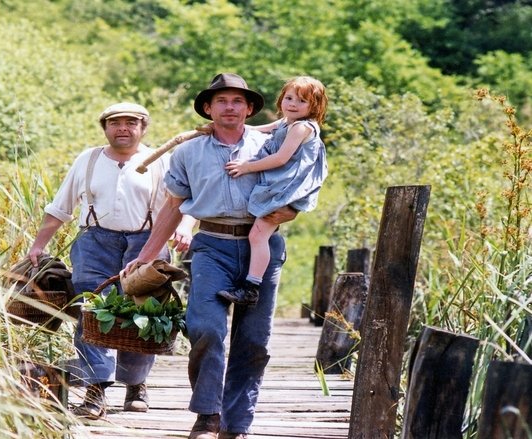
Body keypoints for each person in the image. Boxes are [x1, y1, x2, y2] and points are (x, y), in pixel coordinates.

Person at [126, 73, 298, 439]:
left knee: (254, 340)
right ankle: (208, 414)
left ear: (250, 108)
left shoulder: (271, 147)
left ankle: (237, 424)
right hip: (212, 245)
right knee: (205, 327)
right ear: (208, 108)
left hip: (261, 247)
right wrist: (146, 256)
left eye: (238, 101)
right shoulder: (188, 151)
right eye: (221, 101)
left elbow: (300, 184)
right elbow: (172, 207)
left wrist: (293, 211)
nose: (230, 107)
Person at [27, 102, 195, 420]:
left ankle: (135, 384)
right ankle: (96, 389)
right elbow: (60, 206)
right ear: (104, 127)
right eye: (115, 122)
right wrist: (38, 245)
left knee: (144, 311)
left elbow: (183, 204)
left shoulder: (162, 161)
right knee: (91, 311)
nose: (122, 128)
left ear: (143, 128)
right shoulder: (88, 160)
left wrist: (185, 227)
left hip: (148, 240)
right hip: (94, 241)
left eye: (131, 122)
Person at [218, 76, 328, 306]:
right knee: (259, 234)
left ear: (314, 106)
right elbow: (255, 129)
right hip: (278, 185)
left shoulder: (301, 128)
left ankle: (251, 288)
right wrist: (223, 127)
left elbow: (280, 158)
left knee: (257, 235)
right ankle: (251, 284)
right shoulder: (285, 123)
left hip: (286, 188)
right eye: (289, 98)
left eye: (301, 101)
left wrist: (246, 167)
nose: (293, 104)